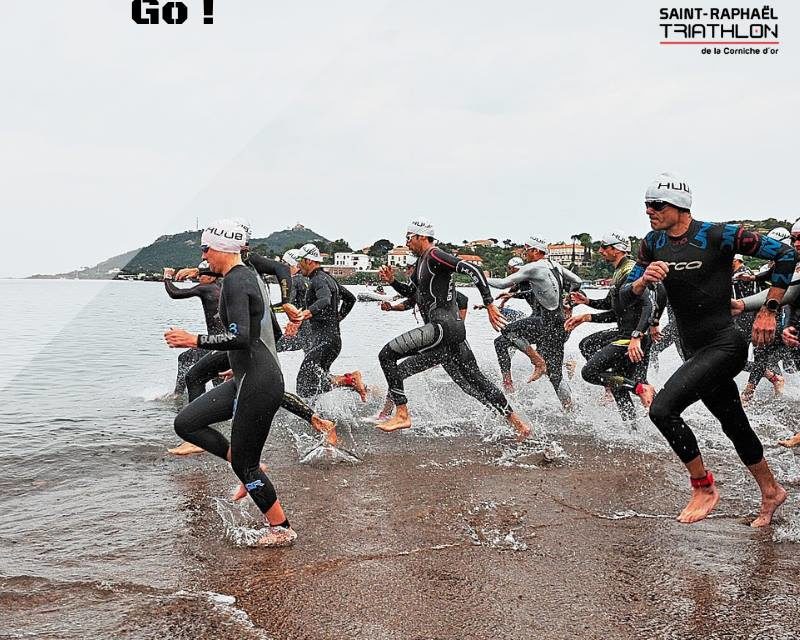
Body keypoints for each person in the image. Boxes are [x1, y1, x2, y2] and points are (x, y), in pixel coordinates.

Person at [620, 173, 794, 527]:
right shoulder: (652, 243)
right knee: (734, 423)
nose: (649, 211)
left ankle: (703, 487)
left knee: (663, 409)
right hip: (694, 348)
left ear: (679, 206)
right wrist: (641, 280)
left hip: (725, 344)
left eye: (656, 205)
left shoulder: (718, 235)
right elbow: (623, 294)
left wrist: (768, 310)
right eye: (646, 206)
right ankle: (771, 491)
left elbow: (785, 255)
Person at [164, 218, 296, 547]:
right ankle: (246, 465)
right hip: (248, 375)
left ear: (221, 247)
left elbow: (240, 337)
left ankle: (281, 528)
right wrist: (233, 365)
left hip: (259, 381)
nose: (203, 255)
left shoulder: (238, 281)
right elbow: (269, 334)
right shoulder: (245, 278)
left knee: (246, 465)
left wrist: (193, 339)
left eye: (205, 248)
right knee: (187, 422)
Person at [376, 217, 532, 438]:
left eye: (408, 238)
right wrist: (392, 282)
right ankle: (519, 425)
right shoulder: (421, 262)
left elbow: (472, 270)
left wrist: (489, 303)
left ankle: (402, 413)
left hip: (442, 328)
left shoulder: (434, 255)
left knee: (386, 355)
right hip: (452, 332)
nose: (406, 242)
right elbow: (417, 296)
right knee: (474, 381)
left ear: (421, 236)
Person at [566, 231, 659, 423]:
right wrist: (587, 306)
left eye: (604, 247)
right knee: (612, 376)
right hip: (626, 333)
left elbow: (648, 305)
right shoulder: (619, 271)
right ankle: (632, 428)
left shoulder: (630, 272)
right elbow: (613, 308)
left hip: (633, 337)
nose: (600, 251)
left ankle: (639, 388)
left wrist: (637, 336)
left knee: (589, 372)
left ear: (617, 250)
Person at [485, 236, 582, 409]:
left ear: (537, 251)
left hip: (545, 322)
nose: (525, 253)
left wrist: (479, 277)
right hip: (559, 324)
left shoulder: (534, 267)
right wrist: (569, 299)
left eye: (527, 249)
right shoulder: (555, 265)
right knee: (555, 375)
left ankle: (538, 361)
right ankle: (569, 408)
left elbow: (501, 284)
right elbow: (577, 281)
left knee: (507, 331)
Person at [293, 244, 367, 401]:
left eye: (300, 261)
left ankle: (350, 380)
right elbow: (350, 299)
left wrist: (306, 312)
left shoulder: (318, 280)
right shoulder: (328, 279)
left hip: (325, 341)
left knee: (304, 385)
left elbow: (325, 299)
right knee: (315, 383)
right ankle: (354, 387)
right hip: (332, 340)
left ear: (308, 260)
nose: (299, 266)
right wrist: (338, 317)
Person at [163, 262, 223, 397]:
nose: (199, 278)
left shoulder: (206, 288)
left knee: (184, 359)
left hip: (214, 343)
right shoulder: (221, 287)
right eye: (199, 274)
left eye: (202, 275)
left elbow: (175, 292)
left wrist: (167, 277)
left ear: (212, 277)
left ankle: (177, 395)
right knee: (216, 373)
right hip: (224, 341)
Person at [490, 256, 548, 392]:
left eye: (509, 269)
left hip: (544, 321)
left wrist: (512, 296)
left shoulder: (531, 278)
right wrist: (494, 305)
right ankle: (507, 381)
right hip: (535, 318)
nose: (509, 272)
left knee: (504, 339)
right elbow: (509, 293)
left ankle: (508, 382)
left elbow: (533, 291)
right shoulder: (520, 281)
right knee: (503, 342)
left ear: (514, 268)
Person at [277, 249, 312, 354]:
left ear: (294, 265)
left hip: (304, 332)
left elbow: (287, 305)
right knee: (315, 367)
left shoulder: (294, 281)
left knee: (272, 347)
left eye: (284, 264)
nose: (282, 267)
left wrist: (267, 309)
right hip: (316, 330)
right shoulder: (310, 279)